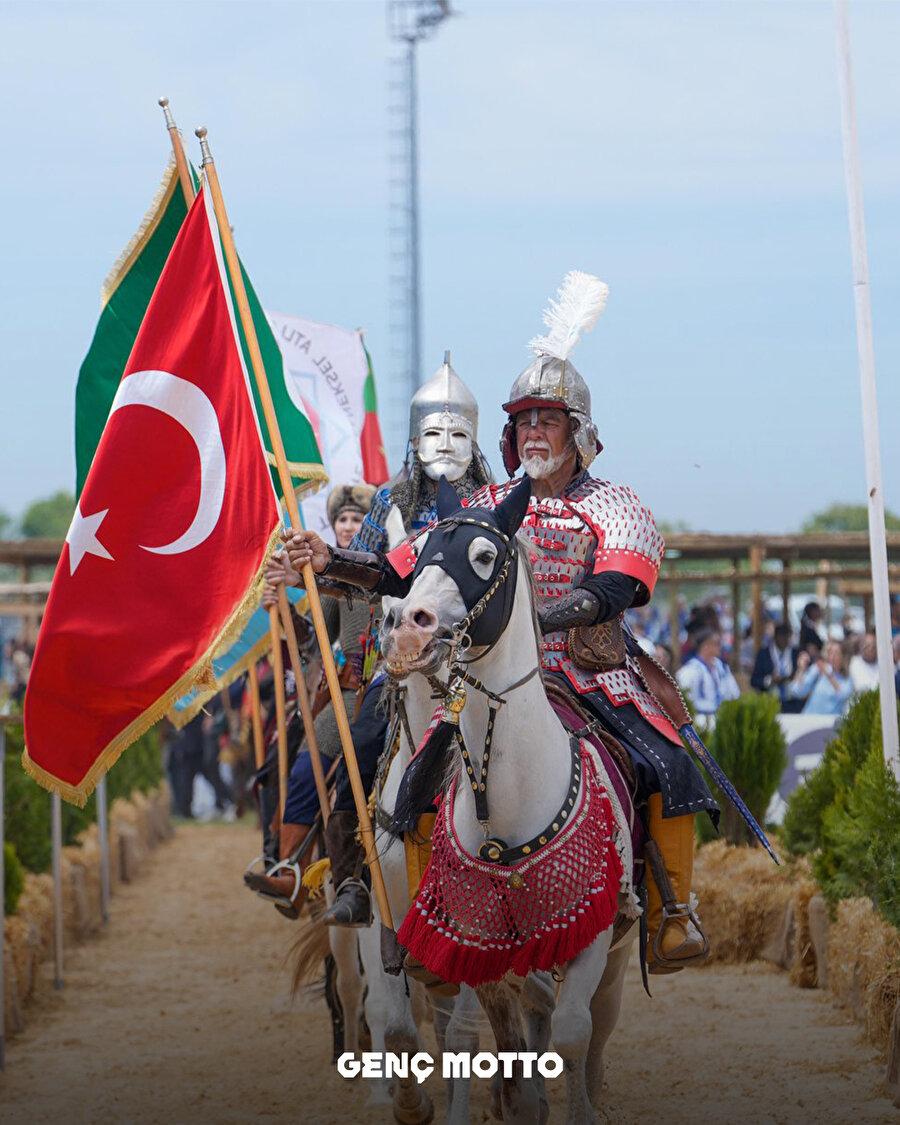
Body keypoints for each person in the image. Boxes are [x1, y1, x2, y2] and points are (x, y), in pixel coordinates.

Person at [286, 271, 718, 974]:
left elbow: (617, 585)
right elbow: (406, 568)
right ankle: (420, 913)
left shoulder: (614, 503)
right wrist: (332, 557)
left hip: (586, 670)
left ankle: (671, 911)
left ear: (578, 431)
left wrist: (536, 618)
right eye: (522, 422)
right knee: (411, 776)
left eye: (546, 419)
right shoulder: (482, 505)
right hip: (483, 675)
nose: (531, 432)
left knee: (668, 760)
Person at [244, 482, 376, 917]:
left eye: (358, 519)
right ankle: (292, 870)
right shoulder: (332, 580)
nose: (350, 526)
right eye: (343, 520)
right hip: (347, 698)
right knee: (302, 769)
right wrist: (285, 607)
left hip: (392, 691)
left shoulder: (386, 567)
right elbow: (315, 645)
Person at [676, 628, 740, 723]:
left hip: (725, 718)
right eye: (717, 643)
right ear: (705, 646)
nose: (720, 646)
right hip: (701, 721)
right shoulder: (690, 670)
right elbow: (686, 702)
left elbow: (735, 693)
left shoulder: (722, 667)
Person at [787, 639, 853, 716]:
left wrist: (829, 676)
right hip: (809, 719)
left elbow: (843, 695)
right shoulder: (818, 669)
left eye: (836, 653)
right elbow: (797, 691)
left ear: (843, 657)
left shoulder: (847, 678)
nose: (831, 656)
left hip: (829, 723)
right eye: (830, 652)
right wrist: (801, 670)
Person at [750, 622, 798, 710]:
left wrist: (791, 678)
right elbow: (754, 680)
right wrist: (770, 680)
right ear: (775, 637)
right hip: (770, 701)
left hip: (792, 701)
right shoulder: (764, 654)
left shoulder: (795, 653)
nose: (785, 640)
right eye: (782, 637)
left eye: (787, 637)